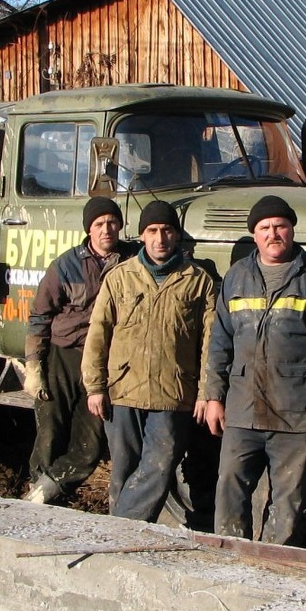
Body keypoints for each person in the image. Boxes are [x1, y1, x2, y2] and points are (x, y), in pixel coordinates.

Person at [204, 195, 306, 545]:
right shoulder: (237, 276)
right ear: (254, 235)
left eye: (280, 226)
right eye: (264, 228)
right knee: (230, 485)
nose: (273, 234)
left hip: (295, 410)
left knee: (290, 498)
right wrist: (213, 397)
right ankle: (230, 554)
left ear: (292, 230)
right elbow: (220, 342)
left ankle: (275, 561)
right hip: (242, 408)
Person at [83, 199, 216, 522]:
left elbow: (210, 344)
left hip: (174, 393)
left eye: (167, 230)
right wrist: (95, 386)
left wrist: (205, 393)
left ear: (177, 235)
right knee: (124, 471)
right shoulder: (119, 278)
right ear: (142, 236)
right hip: (124, 390)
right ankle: (126, 544)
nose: (160, 238)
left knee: (160, 464)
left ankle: (119, 529)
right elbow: (98, 334)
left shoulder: (198, 281)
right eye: (152, 231)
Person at [22, 197, 136, 504]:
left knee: (90, 443)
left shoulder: (133, 262)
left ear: (120, 225)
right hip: (63, 355)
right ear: (89, 229)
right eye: (99, 224)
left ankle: (50, 488)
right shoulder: (65, 265)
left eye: (112, 222)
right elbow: (40, 316)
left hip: (103, 360)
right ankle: (38, 493)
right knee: (50, 430)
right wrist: (35, 366)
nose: (106, 229)